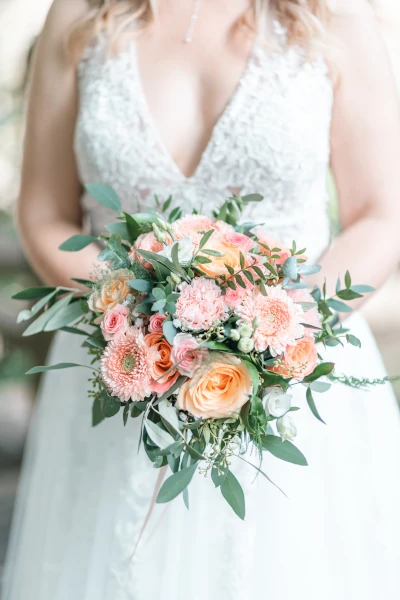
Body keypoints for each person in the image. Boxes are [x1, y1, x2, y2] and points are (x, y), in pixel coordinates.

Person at [2, 1, 400, 598]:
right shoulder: (83, 14)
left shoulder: (335, 15)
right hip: (122, 372)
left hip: (295, 378)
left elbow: (381, 216)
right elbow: (43, 211)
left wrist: (271, 331)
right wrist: (138, 318)